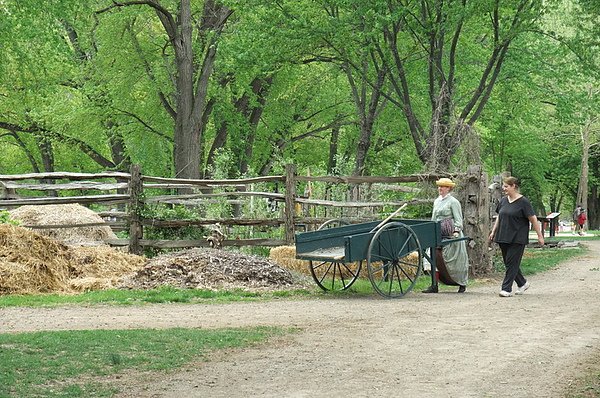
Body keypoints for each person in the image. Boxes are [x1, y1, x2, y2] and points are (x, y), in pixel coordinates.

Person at [488, 177, 544, 297]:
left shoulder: (524, 202)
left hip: (518, 237)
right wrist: (493, 231)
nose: (504, 189)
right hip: (503, 235)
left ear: (514, 186)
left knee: (512, 262)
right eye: (503, 186)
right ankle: (522, 283)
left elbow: (533, 219)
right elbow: (499, 216)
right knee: (509, 263)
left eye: (506, 186)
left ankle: (506, 289)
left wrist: (540, 236)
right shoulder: (503, 201)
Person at [422, 177, 469, 293]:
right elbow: (434, 218)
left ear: (448, 188)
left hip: (451, 234)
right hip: (438, 233)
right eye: (439, 186)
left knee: (455, 261)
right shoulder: (437, 201)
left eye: (442, 186)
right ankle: (434, 285)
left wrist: (456, 231)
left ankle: (461, 284)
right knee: (432, 257)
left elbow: (458, 220)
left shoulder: (453, 202)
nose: (440, 188)